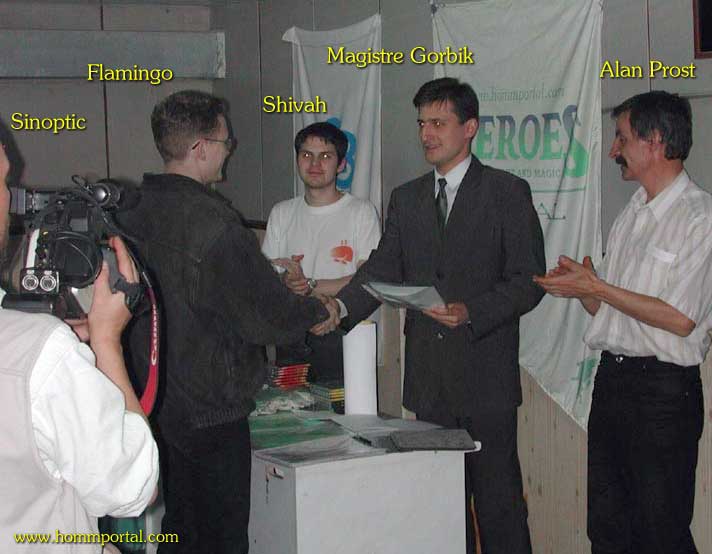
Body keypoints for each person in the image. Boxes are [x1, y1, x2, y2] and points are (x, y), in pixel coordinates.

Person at [118, 90, 339, 554]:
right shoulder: (215, 225)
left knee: (179, 527)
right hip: (211, 410)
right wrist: (322, 309)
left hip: (153, 402)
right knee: (220, 538)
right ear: (200, 148)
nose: (229, 150)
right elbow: (266, 317)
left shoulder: (130, 211)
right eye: (225, 141)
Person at [336, 77, 545, 554]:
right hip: (429, 382)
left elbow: (528, 280)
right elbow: (381, 268)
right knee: (439, 508)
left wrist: (472, 311)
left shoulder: (507, 192)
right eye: (421, 124)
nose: (427, 134)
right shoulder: (407, 197)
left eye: (438, 123)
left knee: (499, 505)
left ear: (470, 127)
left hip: (485, 378)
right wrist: (340, 307)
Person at [535, 91, 712, 554]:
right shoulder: (631, 213)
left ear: (655, 142)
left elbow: (680, 319)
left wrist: (598, 287)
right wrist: (582, 289)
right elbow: (613, 314)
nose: (614, 149)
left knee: (660, 532)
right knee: (608, 528)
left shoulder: (701, 218)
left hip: (664, 393)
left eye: (622, 138)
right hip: (613, 382)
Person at [0, 139, 159, 553]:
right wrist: (106, 341)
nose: (12, 199)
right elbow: (132, 490)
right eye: (3, 181)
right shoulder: (41, 354)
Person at [262, 122, 381, 382]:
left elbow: (367, 280)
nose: (314, 164)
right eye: (307, 155)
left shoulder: (361, 212)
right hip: (292, 336)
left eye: (325, 156)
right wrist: (286, 281)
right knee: (290, 406)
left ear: (341, 164)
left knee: (345, 407)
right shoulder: (281, 213)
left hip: (344, 333)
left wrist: (310, 285)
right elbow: (266, 280)